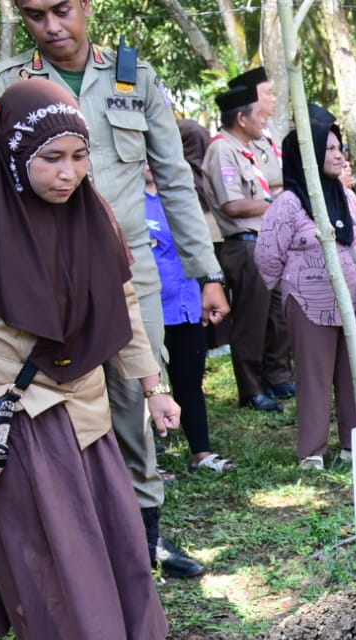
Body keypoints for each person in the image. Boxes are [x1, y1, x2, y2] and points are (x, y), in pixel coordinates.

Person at [0, 81, 172, 640]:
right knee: (48, 554)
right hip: (18, 413)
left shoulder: (93, 214)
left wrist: (153, 387)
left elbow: (125, 304)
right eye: (51, 159)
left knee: (111, 535)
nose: (69, 174)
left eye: (79, 156)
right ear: (11, 153)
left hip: (86, 402)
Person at [0, 2, 226, 580]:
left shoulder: (133, 76)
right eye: (35, 16)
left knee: (138, 395)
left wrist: (205, 270)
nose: (52, 26)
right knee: (61, 402)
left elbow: (173, 176)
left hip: (128, 266)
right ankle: (86, 536)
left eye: (62, 10)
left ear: (86, 6)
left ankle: (145, 534)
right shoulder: (6, 84)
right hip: (42, 273)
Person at [256, 109, 356, 469]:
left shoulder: (347, 197)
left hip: (350, 303)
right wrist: (297, 287)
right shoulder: (289, 204)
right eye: (330, 149)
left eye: (340, 148)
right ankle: (313, 452)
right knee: (315, 377)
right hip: (309, 305)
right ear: (305, 157)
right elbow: (267, 257)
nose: (339, 155)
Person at [203, 83, 287, 413]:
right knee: (251, 321)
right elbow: (232, 204)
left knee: (276, 316)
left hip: (267, 243)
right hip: (245, 245)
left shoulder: (247, 149)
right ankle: (251, 390)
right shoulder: (222, 150)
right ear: (240, 117)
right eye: (259, 117)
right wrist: (275, 203)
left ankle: (276, 378)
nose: (263, 124)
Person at [145, 162, 232, 474]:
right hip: (147, 309)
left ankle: (201, 452)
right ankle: (145, 463)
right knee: (143, 387)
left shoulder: (180, 198)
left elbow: (200, 245)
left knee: (190, 382)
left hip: (185, 303)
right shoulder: (128, 201)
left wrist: (211, 283)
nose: (148, 163)